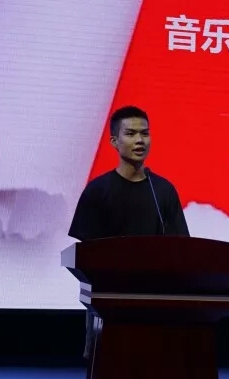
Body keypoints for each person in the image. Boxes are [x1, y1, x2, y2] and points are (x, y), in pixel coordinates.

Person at [68, 105, 190, 358]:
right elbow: (86, 254)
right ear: (114, 141)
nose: (140, 140)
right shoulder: (97, 191)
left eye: (145, 133)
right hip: (108, 303)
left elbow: (181, 248)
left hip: (156, 302)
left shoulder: (163, 191)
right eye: (131, 134)